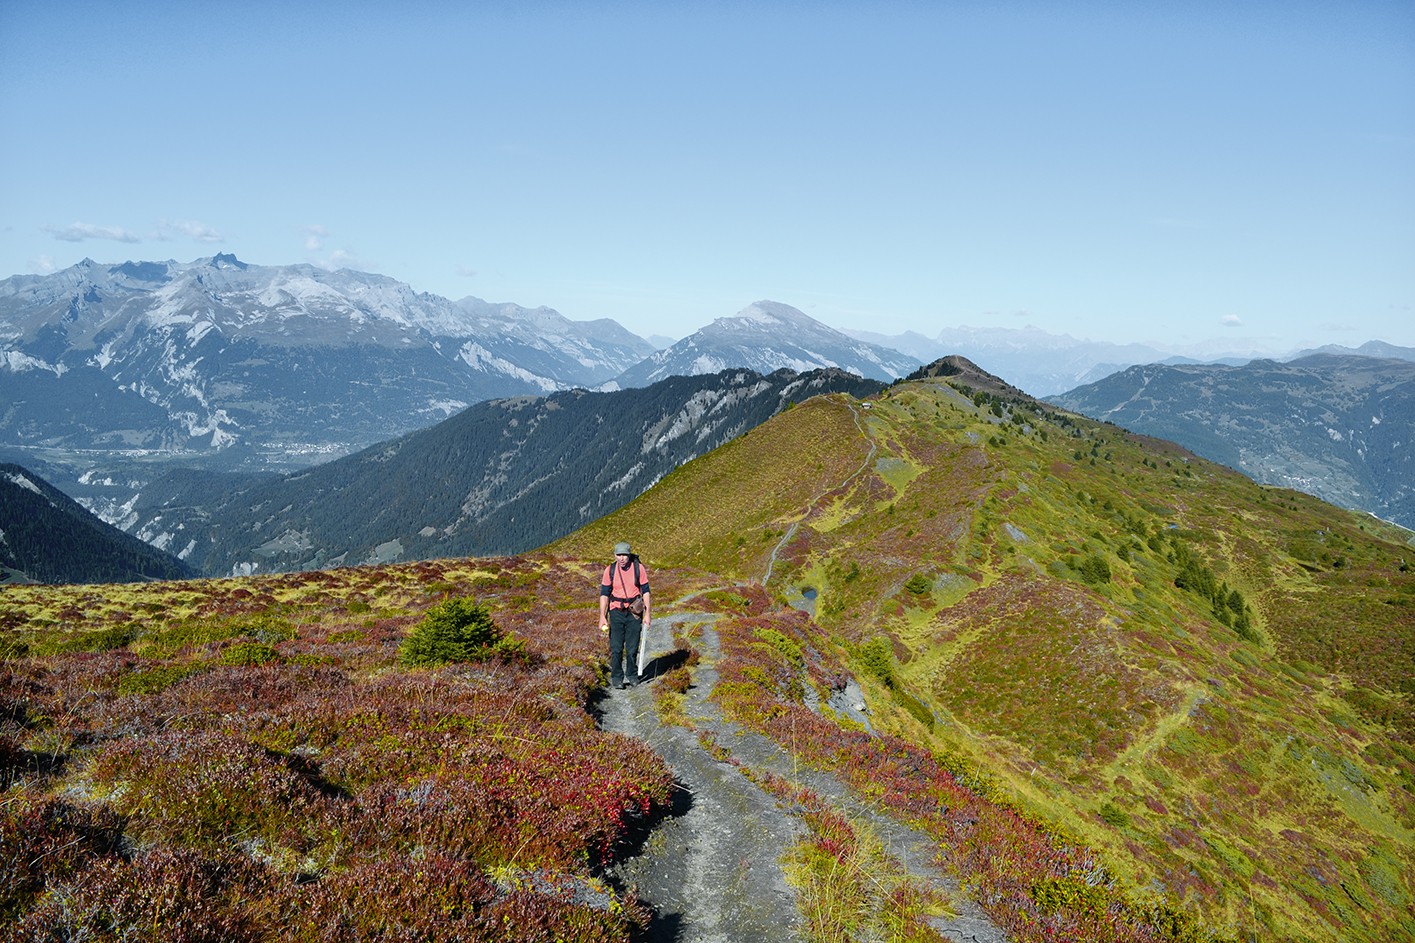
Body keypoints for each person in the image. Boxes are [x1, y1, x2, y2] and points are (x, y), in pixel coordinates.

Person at [599, 541, 651, 689]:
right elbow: (604, 594)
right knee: (616, 647)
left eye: (624, 555)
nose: (622, 558)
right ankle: (616, 677)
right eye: (619, 555)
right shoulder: (610, 570)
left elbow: (646, 591)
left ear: (629, 555)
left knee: (632, 647)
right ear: (614, 555)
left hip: (634, 613)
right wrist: (602, 616)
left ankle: (632, 674)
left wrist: (647, 614)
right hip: (616, 612)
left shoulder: (638, 568)